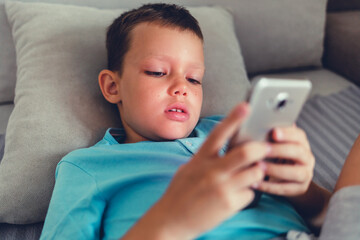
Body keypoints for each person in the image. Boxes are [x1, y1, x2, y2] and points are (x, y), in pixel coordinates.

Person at [40, 3, 338, 239]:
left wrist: (304, 192)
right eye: (157, 72)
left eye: (194, 79)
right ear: (112, 87)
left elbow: (330, 214)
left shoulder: (230, 132)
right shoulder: (86, 166)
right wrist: (170, 224)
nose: (182, 87)